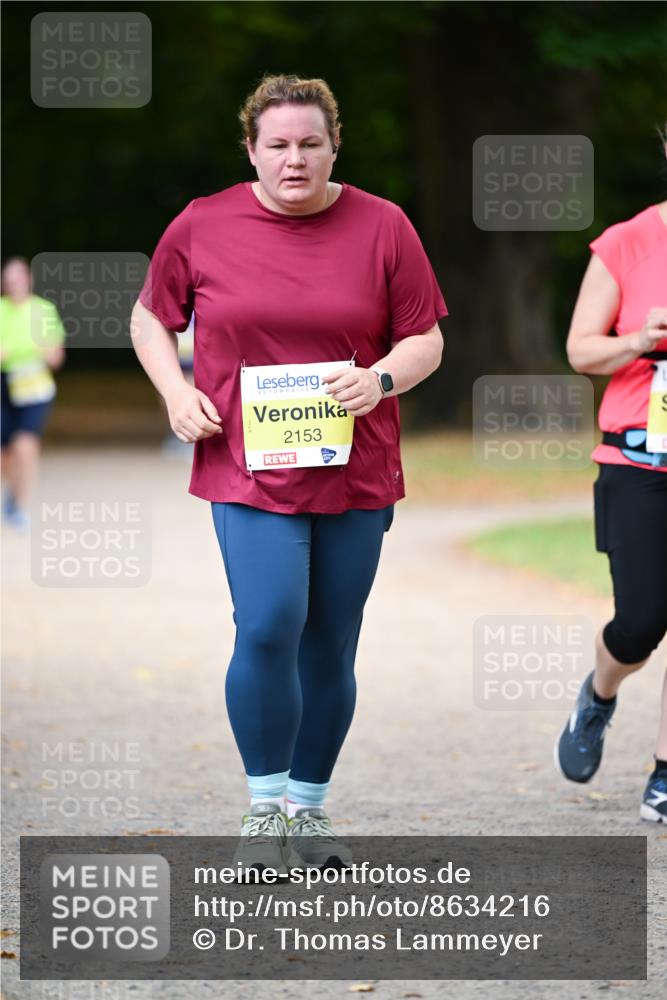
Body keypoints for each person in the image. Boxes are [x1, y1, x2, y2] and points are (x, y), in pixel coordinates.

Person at [131, 74, 447, 871]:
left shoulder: (384, 225)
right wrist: (176, 391)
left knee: (331, 642)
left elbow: (424, 340)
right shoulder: (203, 223)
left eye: (310, 143)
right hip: (246, 467)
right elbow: (149, 316)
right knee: (268, 621)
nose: (294, 159)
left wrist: (377, 379)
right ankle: (263, 808)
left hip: (355, 466)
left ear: (334, 145)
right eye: (278, 145)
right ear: (252, 150)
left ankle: (308, 812)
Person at [555, 127, 667, 824]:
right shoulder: (627, 240)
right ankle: (599, 692)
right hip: (637, 460)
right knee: (641, 622)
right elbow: (578, 350)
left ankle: (664, 772)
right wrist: (637, 341)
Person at [0, 257, 66, 532]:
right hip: (4, 383)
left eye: (19, 279)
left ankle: (20, 506)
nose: (14, 284)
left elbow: (56, 356)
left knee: (26, 445)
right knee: (5, 454)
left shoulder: (43, 310)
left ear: (28, 280)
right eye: (9, 280)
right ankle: (13, 493)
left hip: (34, 385)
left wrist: (48, 353)